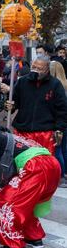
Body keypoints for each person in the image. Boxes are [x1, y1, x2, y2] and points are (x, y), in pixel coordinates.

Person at [0, 116, 60, 248]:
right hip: (52, 164)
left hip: (35, 166)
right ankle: (34, 238)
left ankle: (14, 245)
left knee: (4, 202)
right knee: (25, 203)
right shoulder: (7, 135)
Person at [2, 57, 67, 160]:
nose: (36, 70)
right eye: (34, 67)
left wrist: (59, 129)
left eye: (39, 68)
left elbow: (62, 110)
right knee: (22, 161)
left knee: (43, 162)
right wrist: (9, 105)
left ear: (47, 69)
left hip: (45, 132)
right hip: (23, 130)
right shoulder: (22, 81)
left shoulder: (55, 84)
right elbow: (14, 103)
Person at [50, 60, 67, 188]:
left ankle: (60, 176)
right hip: (64, 122)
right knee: (64, 149)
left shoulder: (54, 87)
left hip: (58, 122)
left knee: (57, 149)